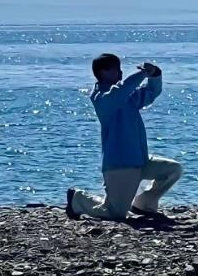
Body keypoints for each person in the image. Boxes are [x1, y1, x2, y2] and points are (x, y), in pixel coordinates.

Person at [67, 54, 183, 222]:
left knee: (173, 170)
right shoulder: (101, 98)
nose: (120, 73)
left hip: (142, 161)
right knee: (115, 213)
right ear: (102, 72)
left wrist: (155, 74)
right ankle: (78, 200)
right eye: (116, 70)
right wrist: (142, 74)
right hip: (120, 166)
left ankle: (144, 203)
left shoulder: (127, 98)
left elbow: (150, 93)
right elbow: (121, 90)